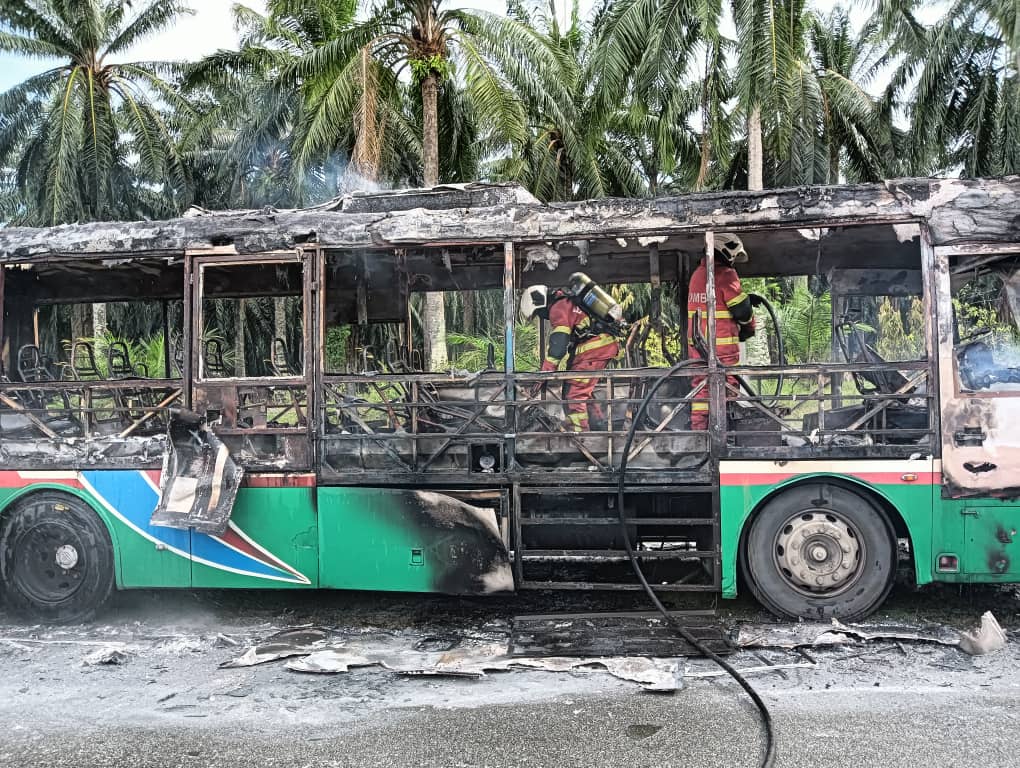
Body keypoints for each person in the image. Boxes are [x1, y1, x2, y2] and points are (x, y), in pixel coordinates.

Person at [520, 281, 620, 431]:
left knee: (575, 394)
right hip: (597, 347)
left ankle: (581, 436)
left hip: (594, 349)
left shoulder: (557, 308)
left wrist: (544, 374)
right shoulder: (566, 302)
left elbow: (558, 347)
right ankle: (598, 425)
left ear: (540, 305)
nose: (542, 317)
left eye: (538, 313)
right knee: (577, 389)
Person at [687, 233, 756, 430]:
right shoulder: (726, 274)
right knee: (728, 389)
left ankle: (700, 435)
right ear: (726, 250)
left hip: (699, 350)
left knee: (702, 391)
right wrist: (749, 326)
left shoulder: (697, 275)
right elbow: (742, 311)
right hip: (722, 352)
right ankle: (725, 435)